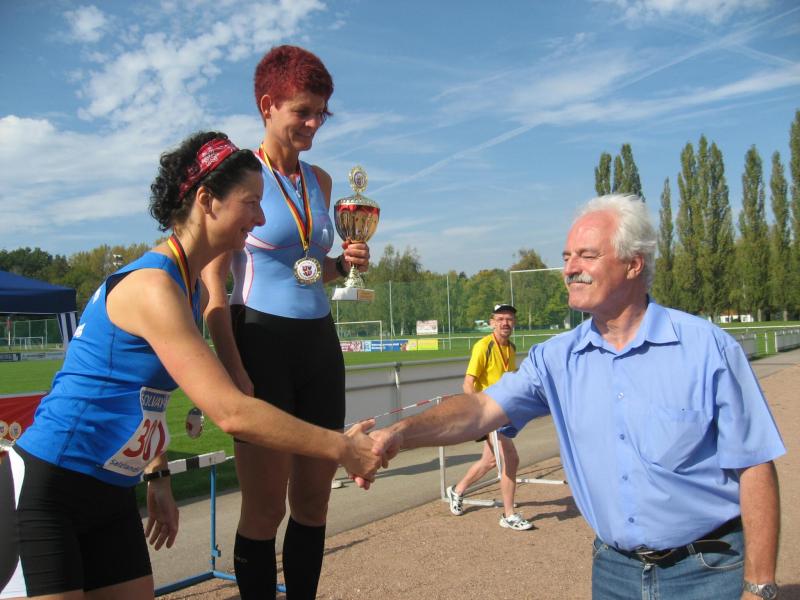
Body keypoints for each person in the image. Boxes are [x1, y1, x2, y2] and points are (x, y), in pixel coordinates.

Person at [0, 131, 380, 600]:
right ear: (206, 201)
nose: (261, 218)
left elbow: (144, 395)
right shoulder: (155, 287)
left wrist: (157, 472)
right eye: (251, 203)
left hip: (112, 493)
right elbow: (231, 413)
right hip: (49, 489)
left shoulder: (190, 287)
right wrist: (340, 447)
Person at [368, 194, 785, 600]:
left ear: (634, 263)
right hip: (615, 572)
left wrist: (759, 587)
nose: (570, 269)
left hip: (707, 572)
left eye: (587, 255)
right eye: (567, 257)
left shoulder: (707, 348)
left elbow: (754, 465)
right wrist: (399, 433)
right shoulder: (556, 358)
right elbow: (479, 410)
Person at [201, 46, 370, 600]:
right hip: (260, 341)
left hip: (319, 344)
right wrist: (234, 371)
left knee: (314, 503)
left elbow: (310, 269)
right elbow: (215, 290)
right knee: (265, 506)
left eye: (321, 113)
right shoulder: (238, 177)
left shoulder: (320, 181)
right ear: (268, 105)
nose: (314, 123)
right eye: (303, 111)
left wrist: (344, 262)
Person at [446, 304, 533, 531]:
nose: (505, 323)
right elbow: (468, 383)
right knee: (511, 459)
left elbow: (508, 380)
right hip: (489, 413)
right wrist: (480, 413)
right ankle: (508, 514)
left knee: (490, 461)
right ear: (492, 322)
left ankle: (457, 490)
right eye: (500, 319)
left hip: (505, 413)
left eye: (509, 319)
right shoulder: (483, 346)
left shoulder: (511, 347)